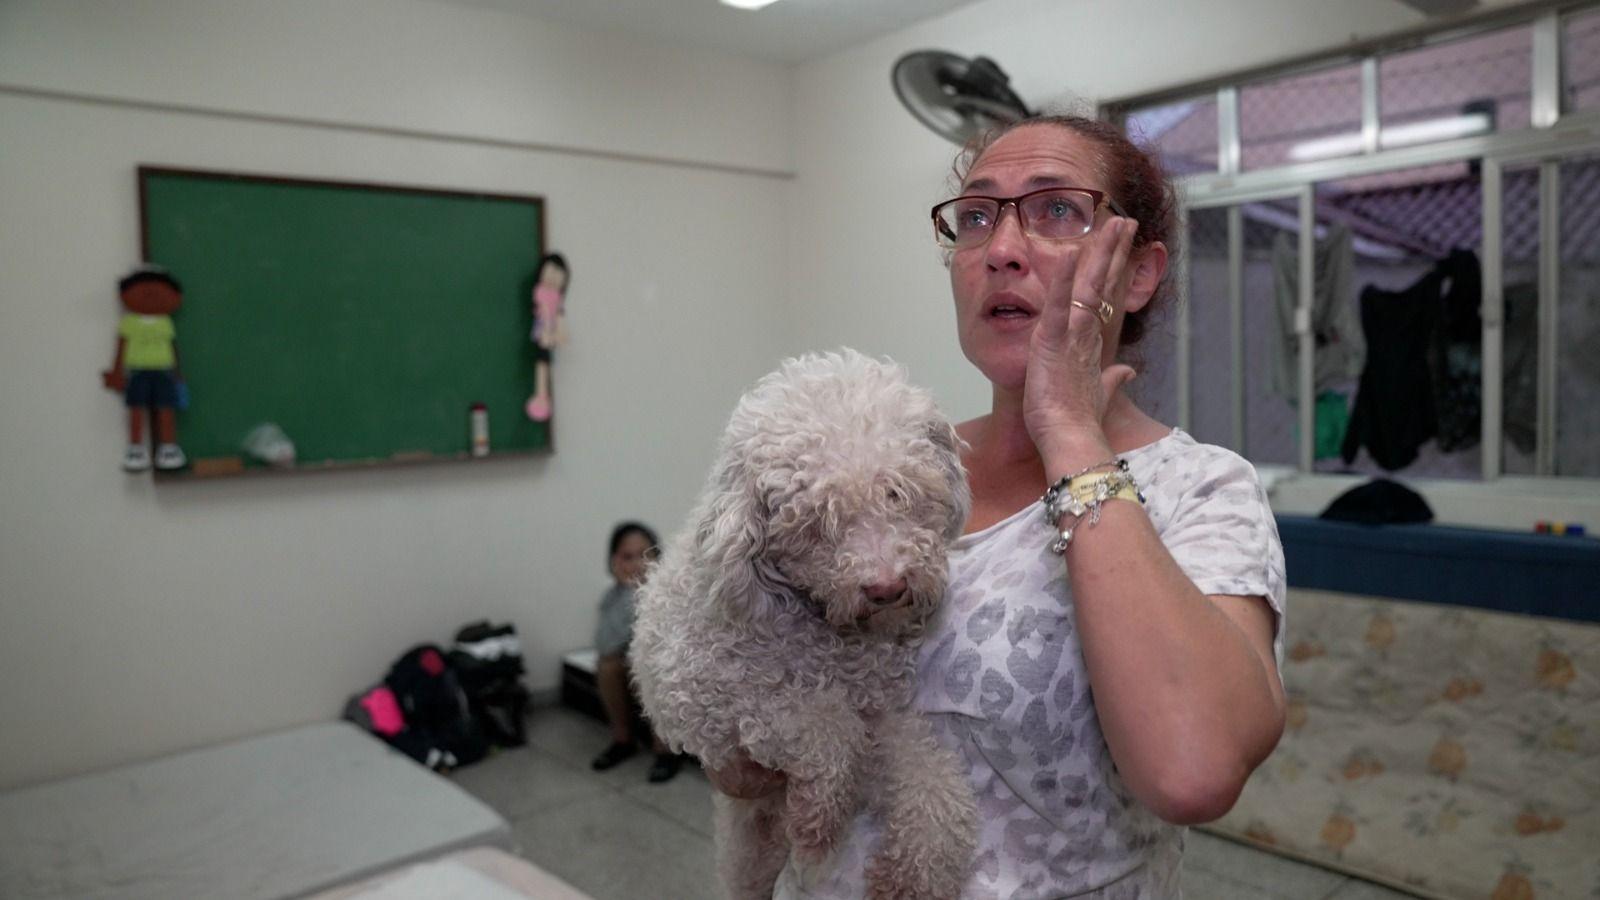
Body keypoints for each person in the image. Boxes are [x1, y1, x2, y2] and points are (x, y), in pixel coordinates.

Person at [709, 114, 1288, 898]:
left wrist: (1069, 431)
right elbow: (749, 704)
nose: (1002, 249)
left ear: (1140, 273)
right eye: (977, 217)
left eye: (1056, 210)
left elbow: (1193, 770)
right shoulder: (891, 464)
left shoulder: (1204, 489)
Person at [589, 521, 683, 784]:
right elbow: (606, 645)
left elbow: (666, 643)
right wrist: (629, 592)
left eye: (645, 554)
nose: (638, 564)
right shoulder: (613, 597)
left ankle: (665, 750)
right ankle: (622, 739)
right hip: (633, 661)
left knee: (650, 663)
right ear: (614, 562)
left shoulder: (672, 590)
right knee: (607, 665)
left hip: (665, 662)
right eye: (627, 557)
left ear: (658, 556)